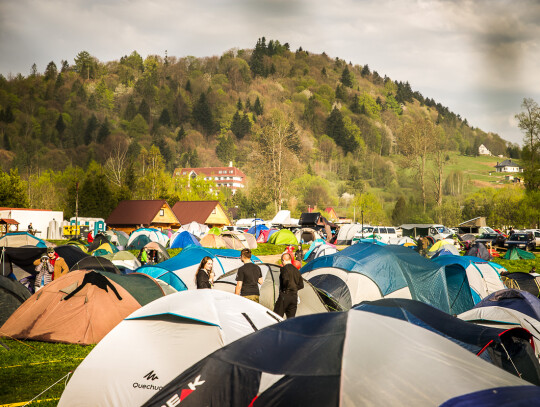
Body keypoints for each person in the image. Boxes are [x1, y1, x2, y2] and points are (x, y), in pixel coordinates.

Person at [274, 253, 304, 318]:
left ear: (283, 260)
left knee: (276, 317)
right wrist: (294, 288)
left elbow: (286, 280)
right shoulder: (296, 270)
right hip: (294, 297)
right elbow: (301, 285)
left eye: (282, 261)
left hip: (285, 295)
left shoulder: (284, 269)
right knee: (291, 319)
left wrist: (285, 289)